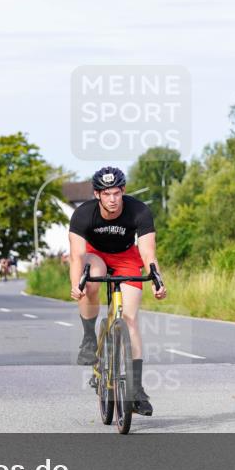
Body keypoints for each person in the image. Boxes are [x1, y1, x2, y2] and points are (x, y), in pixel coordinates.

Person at [68, 166, 166, 417]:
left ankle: (136, 390)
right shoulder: (83, 214)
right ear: (97, 194)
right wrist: (75, 284)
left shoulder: (139, 211)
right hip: (95, 254)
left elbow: (148, 252)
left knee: (130, 319)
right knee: (92, 281)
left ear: (123, 191)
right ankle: (90, 337)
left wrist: (157, 279)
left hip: (126, 257)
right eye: (106, 194)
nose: (112, 199)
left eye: (116, 193)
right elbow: (77, 257)